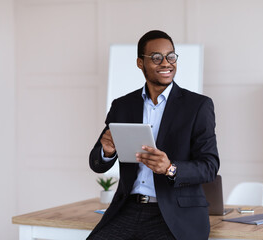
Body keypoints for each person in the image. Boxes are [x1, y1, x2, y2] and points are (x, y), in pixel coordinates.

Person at [88, 30, 220, 240]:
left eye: (171, 56)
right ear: (140, 63)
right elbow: (97, 163)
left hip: (172, 215)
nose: (166, 63)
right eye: (157, 58)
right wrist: (106, 151)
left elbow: (210, 167)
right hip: (127, 210)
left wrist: (170, 168)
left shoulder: (198, 106)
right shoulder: (122, 106)